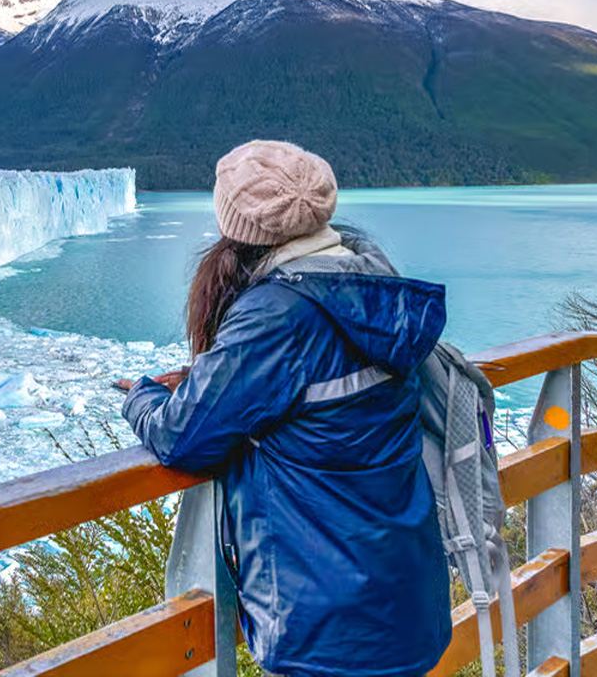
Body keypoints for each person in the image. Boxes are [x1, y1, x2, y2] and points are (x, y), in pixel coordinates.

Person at [119, 140, 451, 677]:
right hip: (407, 603)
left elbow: (184, 436)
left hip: (328, 629)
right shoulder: (374, 283)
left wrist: (143, 396)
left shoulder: (275, 316)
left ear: (238, 225)